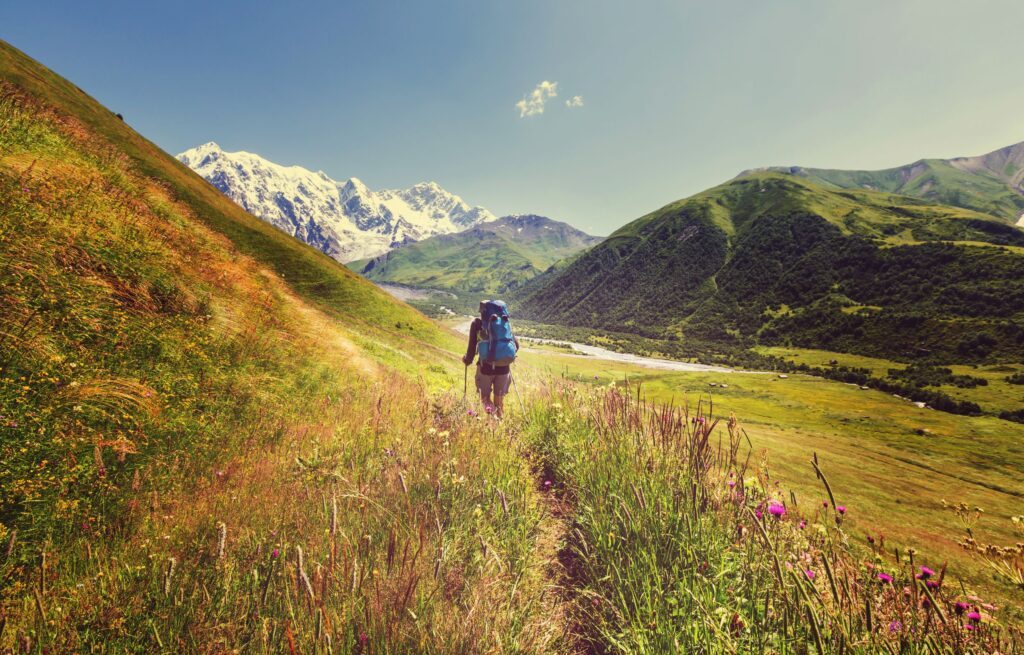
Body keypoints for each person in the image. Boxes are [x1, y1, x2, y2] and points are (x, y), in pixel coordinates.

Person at [463, 303, 519, 418]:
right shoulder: (504, 322)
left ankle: (494, 423)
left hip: (485, 368)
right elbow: (516, 345)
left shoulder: (477, 324)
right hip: (504, 369)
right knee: (499, 400)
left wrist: (467, 360)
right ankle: (500, 421)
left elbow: (471, 349)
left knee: (485, 399)